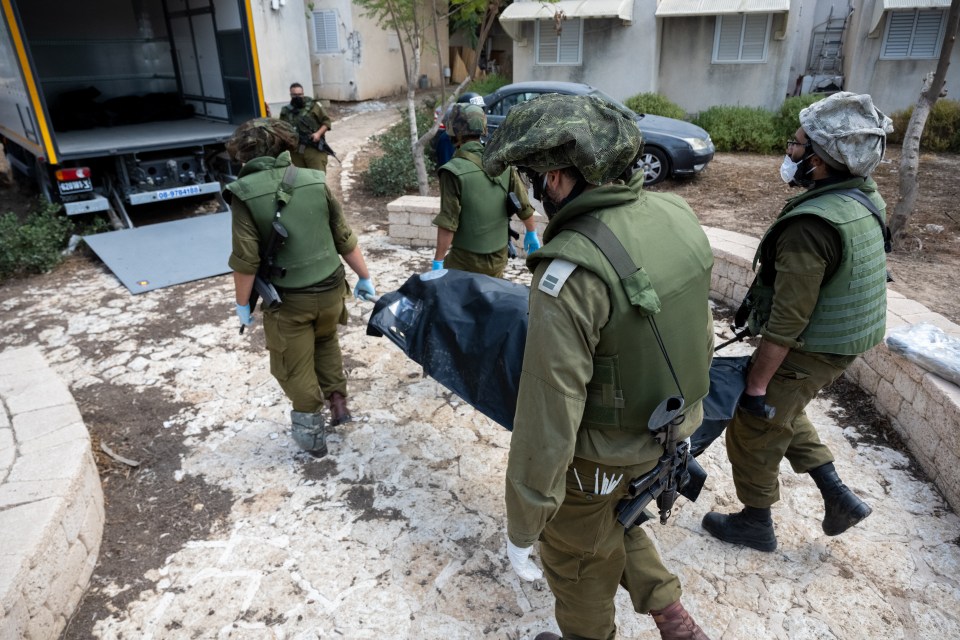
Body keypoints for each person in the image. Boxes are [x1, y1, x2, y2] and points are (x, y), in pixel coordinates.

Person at [484, 93, 715, 640]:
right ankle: (671, 614)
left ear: (560, 178)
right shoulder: (676, 215)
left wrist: (526, 520)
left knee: (576, 561)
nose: (535, 192)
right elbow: (700, 335)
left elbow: (549, 411)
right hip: (672, 433)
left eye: (534, 177)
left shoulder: (570, 273)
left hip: (597, 457)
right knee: (618, 517)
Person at [702, 92, 893, 552]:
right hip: (839, 342)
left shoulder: (812, 225)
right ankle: (838, 495)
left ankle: (755, 523)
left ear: (822, 161)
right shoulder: (859, 197)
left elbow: (788, 322)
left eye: (798, 144)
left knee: (756, 422)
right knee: (783, 408)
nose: (790, 151)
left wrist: (755, 386)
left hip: (813, 345)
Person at [225, 117, 376, 458]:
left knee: (293, 365)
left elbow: (246, 260)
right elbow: (344, 236)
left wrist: (242, 305)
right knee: (325, 342)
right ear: (283, 145)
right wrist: (364, 277)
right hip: (333, 291)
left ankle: (312, 436)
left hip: (289, 302)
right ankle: (338, 402)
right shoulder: (313, 179)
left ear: (244, 153)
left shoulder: (242, 194)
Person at [432, 102, 540, 277]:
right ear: (482, 129)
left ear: (454, 132)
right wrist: (531, 233)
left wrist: (437, 262)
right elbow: (523, 205)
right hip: (499, 257)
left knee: (454, 300)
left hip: (464, 260)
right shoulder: (503, 163)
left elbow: (448, 222)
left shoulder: (452, 171)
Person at [279, 82, 333, 172]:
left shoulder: (314, 106)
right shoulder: (286, 111)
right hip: (295, 151)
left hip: (313, 148)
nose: (297, 97)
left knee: (317, 178)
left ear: (303, 94)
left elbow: (326, 122)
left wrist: (318, 134)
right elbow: (281, 128)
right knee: (300, 179)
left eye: (300, 94)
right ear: (290, 95)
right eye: (294, 95)